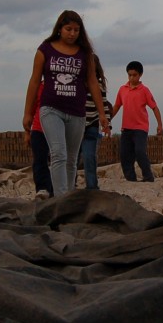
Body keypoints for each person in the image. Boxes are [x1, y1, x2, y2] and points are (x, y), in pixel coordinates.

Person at [22, 10, 109, 198]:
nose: (72, 33)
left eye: (76, 30)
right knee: (58, 153)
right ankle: (60, 199)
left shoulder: (85, 54)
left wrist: (102, 114)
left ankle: (68, 196)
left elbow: (93, 83)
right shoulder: (45, 49)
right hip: (51, 109)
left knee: (71, 158)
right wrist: (27, 113)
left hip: (77, 112)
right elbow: (34, 81)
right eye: (69, 29)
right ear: (60, 29)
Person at [111, 61, 163, 182]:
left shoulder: (144, 90)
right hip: (126, 128)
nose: (132, 77)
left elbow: (154, 107)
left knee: (140, 152)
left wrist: (160, 125)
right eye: (129, 75)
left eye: (134, 75)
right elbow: (117, 106)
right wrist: (107, 121)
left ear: (140, 75)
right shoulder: (122, 89)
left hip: (140, 128)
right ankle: (131, 179)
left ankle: (148, 176)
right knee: (125, 155)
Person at [78, 56, 111, 189]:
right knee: (72, 158)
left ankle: (92, 188)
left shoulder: (99, 86)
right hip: (76, 125)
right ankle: (69, 186)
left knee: (89, 157)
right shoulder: (76, 83)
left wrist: (107, 124)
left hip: (91, 124)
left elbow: (104, 105)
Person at [28, 81, 53, 197]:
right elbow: (31, 110)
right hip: (39, 129)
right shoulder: (38, 87)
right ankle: (42, 189)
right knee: (39, 160)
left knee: (59, 160)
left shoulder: (61, 87)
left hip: (56, 129)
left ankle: (55, 190)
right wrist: (27, 132)